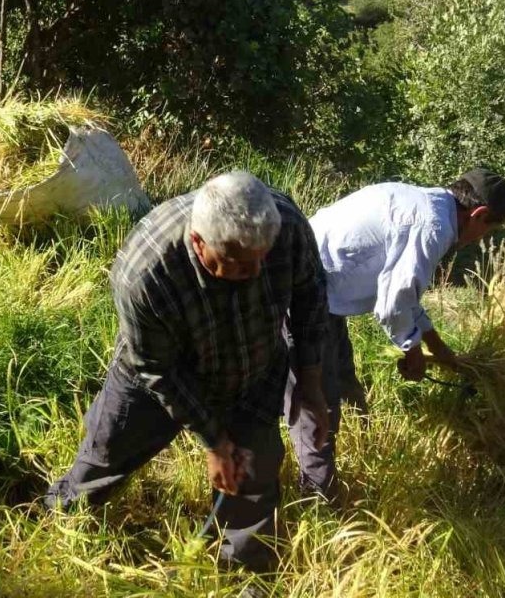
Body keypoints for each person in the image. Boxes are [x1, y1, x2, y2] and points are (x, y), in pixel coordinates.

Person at [45, 171, 331, 572]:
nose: (253, 273)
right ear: (199, 243)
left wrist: (310, 384)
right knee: (104, 458)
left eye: (261, 260)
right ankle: (57, 522)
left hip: (255, 369)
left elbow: (310, 296)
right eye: (236, 264)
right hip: (161, 377)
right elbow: (156, 368)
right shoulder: (145, 272)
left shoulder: (285, 225)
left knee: (254, 472)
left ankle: (246, 575)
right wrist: (214, 441)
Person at [285, 168, 505, 497]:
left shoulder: (428, 205)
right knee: (319, 404)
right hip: (304, 288)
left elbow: (406, 298)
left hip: (326, 289)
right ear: (478, 215)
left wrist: (439, 349)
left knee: (345, 380)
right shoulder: (432, 227)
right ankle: (318, 500)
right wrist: (413, 351)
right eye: (488, 231)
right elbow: (393, 305)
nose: (482, 239)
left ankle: (361, 450)